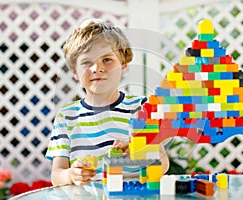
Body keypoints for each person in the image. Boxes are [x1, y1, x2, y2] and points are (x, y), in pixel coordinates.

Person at [46, 19, 169, 186]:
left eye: (107, 60)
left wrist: (138, 150)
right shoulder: (66, 117)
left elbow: (162, 163)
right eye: (87, 62)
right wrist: (71, 175)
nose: (97, 68)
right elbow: (56, 175)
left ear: (124, 66)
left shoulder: (142, 108)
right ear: (75, 72)